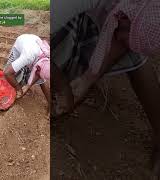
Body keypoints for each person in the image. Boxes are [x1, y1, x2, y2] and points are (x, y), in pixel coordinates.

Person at [52, 0, 160, 176]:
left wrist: (88, 79)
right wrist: (63, 88)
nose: (125, 39)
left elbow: (125, 41)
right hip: (55, 17)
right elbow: (35, 42)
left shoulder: (142, 9)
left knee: (134, 42)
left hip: (120, 14)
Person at [4, 34, 57, 114]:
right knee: (12, 74)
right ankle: (11, 89)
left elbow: (39, 75)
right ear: (37, 68)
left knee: (42, 80)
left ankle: (51, 104)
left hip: (33, 43)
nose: (38, 76)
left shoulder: (47, 58)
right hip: (21, 43)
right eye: (37, 73)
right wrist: (18, 89)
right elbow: (7, 73)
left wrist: (28, 86)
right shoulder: (28, 56)